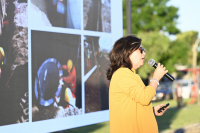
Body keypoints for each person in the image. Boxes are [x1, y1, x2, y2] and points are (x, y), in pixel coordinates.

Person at [107, 35, 169, 133]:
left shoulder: (128, 74)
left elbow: (136, 104)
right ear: (127, 52)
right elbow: (145, 97)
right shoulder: (123, 74)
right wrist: (156, 78)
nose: (144, 53)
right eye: (140, 49)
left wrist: (151, 111)